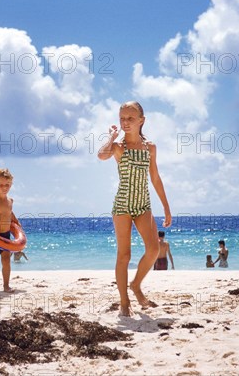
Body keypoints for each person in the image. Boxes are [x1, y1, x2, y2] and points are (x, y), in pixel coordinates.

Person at [98, 101, 172, 317]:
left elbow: (155, 178)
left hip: (144, 205)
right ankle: (124, 302)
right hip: (122, 205)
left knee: (154, 250)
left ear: (142, 120)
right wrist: (111, 137)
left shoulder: (150, 148)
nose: (125, 122)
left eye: (130, 118)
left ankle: (136, 284)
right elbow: (101, 155)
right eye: (122, 118)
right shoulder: (120, 147)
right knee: (124, 255)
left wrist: (166, 206)